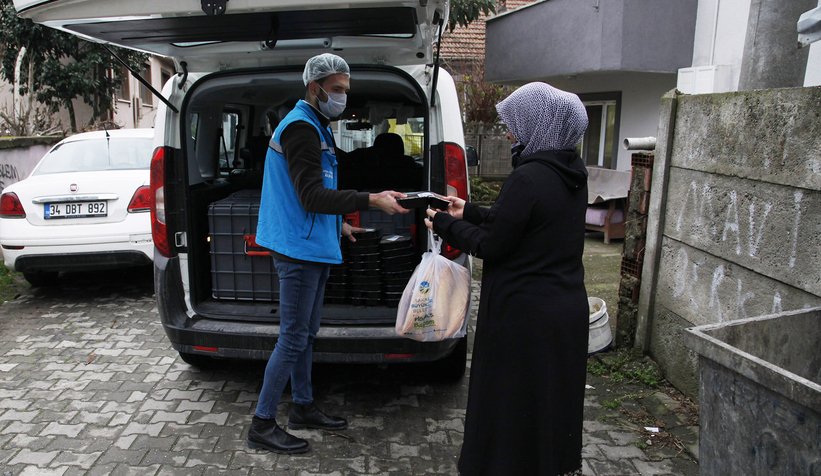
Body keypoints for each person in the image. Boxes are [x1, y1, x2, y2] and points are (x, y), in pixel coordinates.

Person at [425, 82, 590, 475]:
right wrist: (471, 210)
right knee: (547, 401)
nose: (510, 133)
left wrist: (444, 223)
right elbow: (523, 223)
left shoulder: (529, 177)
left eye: (515, 124)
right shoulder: (571, 174)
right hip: (563, 311)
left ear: (539, 124)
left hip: (524, 315)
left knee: (510, 400)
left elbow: (494, 244)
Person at [248, 53, 408, 454]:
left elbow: (313, 193)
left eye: (345, 91)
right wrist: (372, 200)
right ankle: (262, 422)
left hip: (313, 244)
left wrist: (341, 224)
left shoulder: (316, 125)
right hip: (298, 250)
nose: (341, 98)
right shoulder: (301, 129)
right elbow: (311, 195)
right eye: (336, 90)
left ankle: (302, 407)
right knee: (293, 337)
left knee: (305, 335)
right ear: (314, 87)